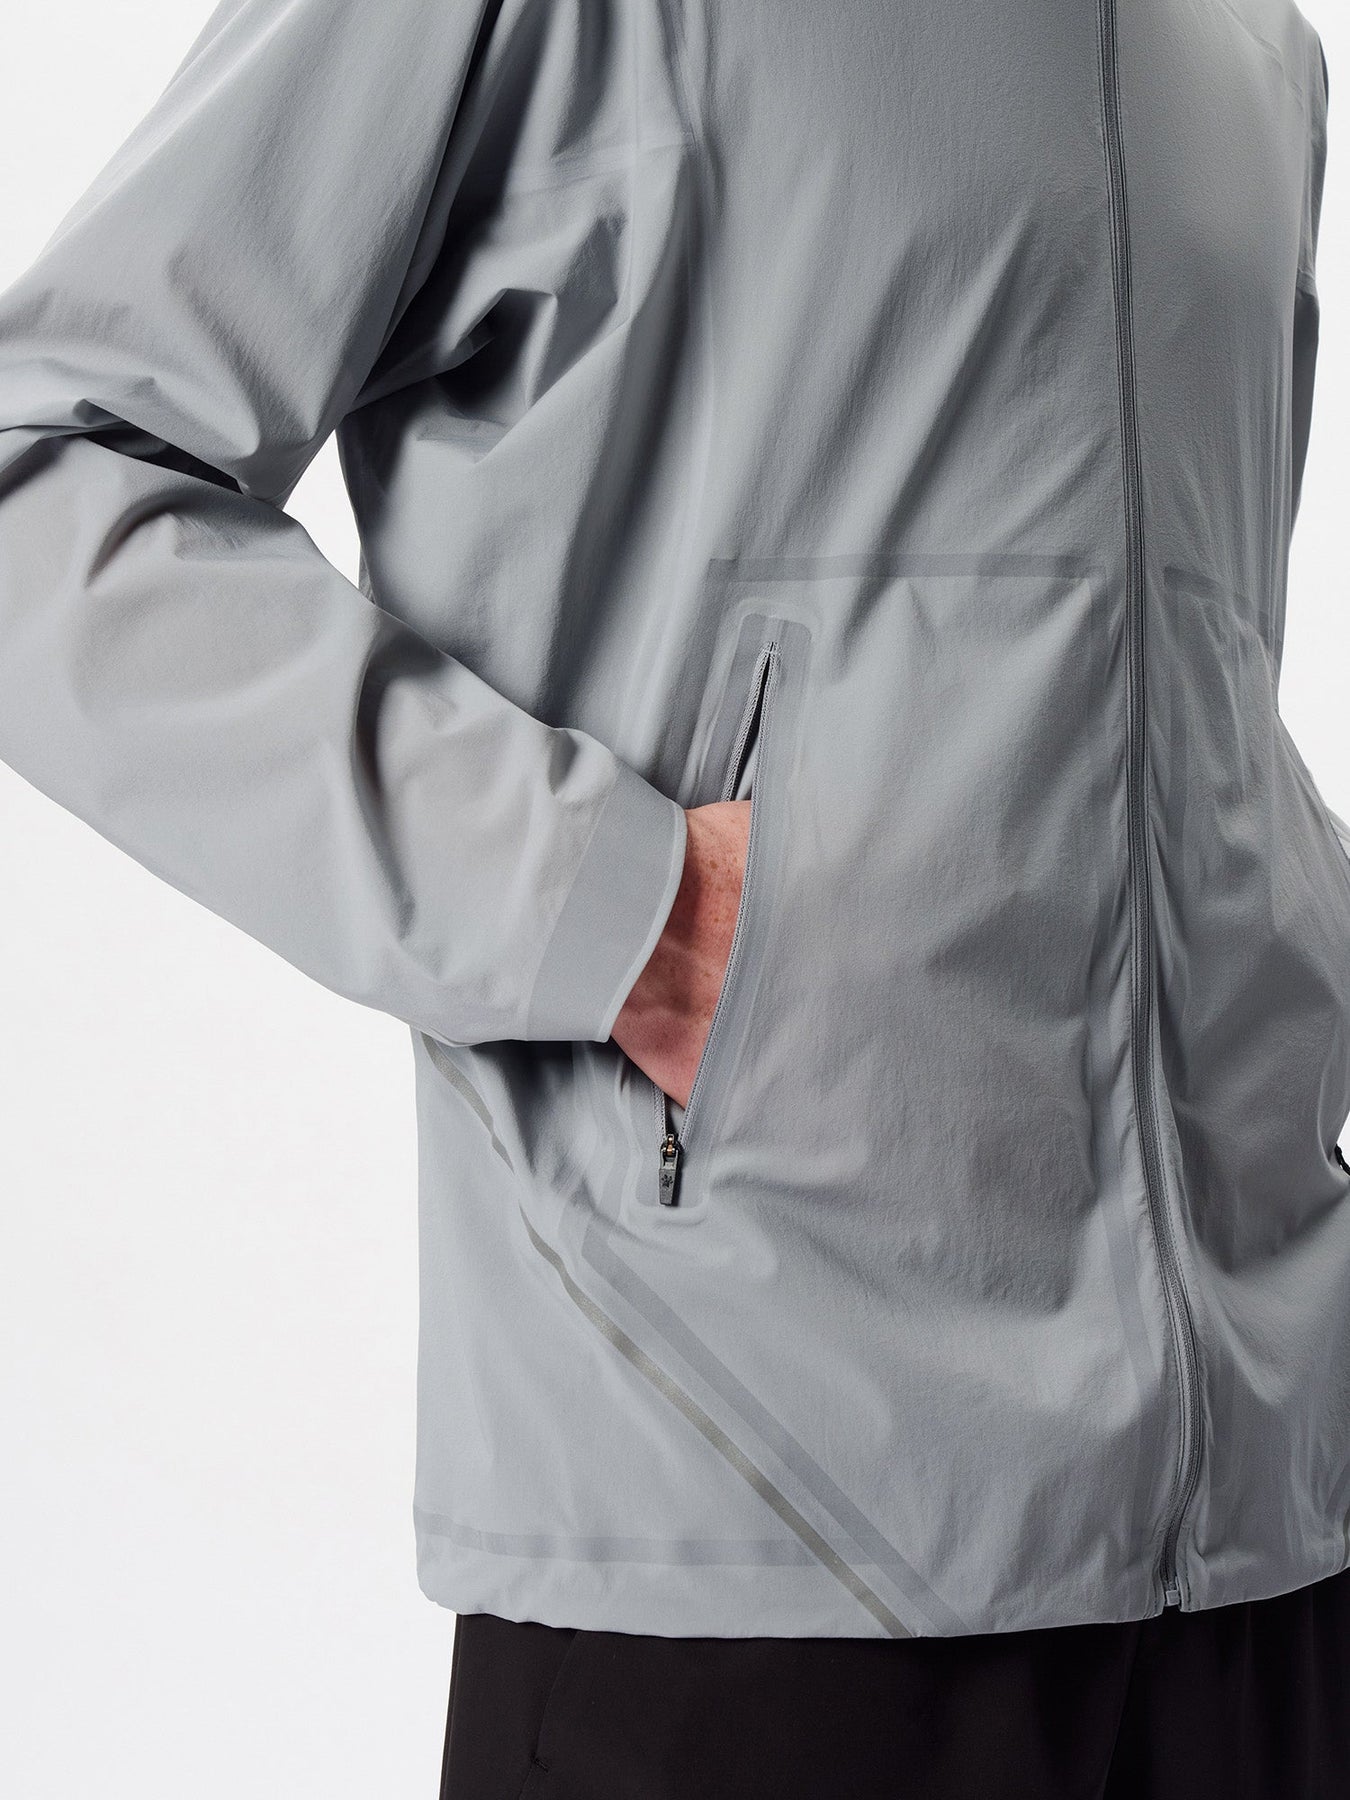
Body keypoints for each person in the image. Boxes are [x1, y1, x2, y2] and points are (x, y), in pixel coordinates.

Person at [0, 1, 1347, 1794]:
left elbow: (1186, 663)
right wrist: (608, 905)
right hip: (743, 1482)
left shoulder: (1249, 47)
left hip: (1268, 1510)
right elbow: (46, 475)